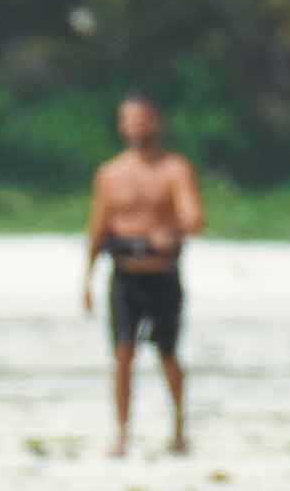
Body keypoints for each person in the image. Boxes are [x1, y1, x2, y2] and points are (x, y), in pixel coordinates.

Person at [84, 95, 205, 457]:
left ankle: (179, 428)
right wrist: (86, 279)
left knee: (168, 354)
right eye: (129, 120)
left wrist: (173, 233)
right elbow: (97, 226)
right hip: (124, 275)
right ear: (121, 126)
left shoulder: (174, 169)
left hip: (162, 274)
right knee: (122, 354)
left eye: (143, 120)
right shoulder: (109, 173)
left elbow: (193, 217)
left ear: (156, 123)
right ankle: (121, 433)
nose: (137, 127)